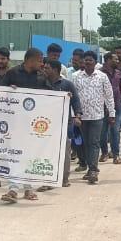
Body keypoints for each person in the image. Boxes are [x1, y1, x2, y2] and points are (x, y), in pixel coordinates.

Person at [0, 48, 51, 203]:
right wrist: (9, 91)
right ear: (30, 60)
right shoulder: (13, 73)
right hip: (15, 124)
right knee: (14, 156)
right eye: (40, 60)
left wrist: (64, 97)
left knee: (30, 156)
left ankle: (28, 189)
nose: (42, 63)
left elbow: (51, 96)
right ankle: (13, 189)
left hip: (34, 125)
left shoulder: (41, 77)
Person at [71, 51, 115, 184]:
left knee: (94, 142)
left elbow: (109, 95)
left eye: (90, 60)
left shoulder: (102, 77)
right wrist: (74, 115)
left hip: (97, 115)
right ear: (83, 62)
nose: (88, 62)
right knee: (84, 143)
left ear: (95, 62)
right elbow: (72, 96)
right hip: (81, 116)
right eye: (86, 60)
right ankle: (90, 167)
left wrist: (112, 114)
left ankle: (93, 170)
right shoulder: (76, 77)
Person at [41, 58, 80, 190]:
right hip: (45, 123)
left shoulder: (67, 85)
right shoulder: (41, 84)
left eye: (47, 68)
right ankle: (48, 180)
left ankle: (64, 178)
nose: (44, 70)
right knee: (47, 152)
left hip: (65, 122)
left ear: (56, 70)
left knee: (64, 151)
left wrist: (78, 115)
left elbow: (76, 102)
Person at [98, 55, 121, 165]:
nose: (117, 61)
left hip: (116, 107)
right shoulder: (99, 73)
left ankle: (116, 155)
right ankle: (104, 153)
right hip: (102, 108)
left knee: (115, 131)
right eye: (115, 59)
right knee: (102, 132)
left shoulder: (118, 73)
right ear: (108, 60)